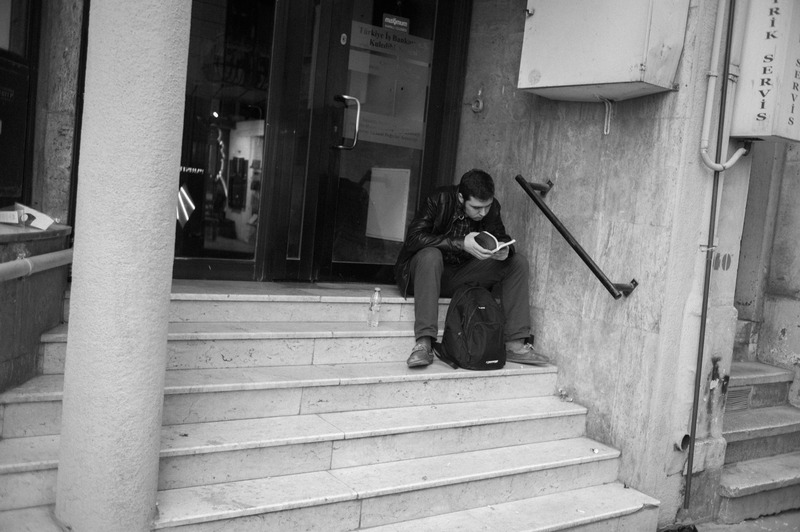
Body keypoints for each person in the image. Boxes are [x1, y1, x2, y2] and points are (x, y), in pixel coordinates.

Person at [394, 168, 550, 368]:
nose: (483, 212)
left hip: (461, 276)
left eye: (487, 206)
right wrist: (460, 243)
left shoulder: (491, 208)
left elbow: (501, 237)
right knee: (431, 255)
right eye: (476, 207)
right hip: (426, 274)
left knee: (517, 262)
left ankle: (514, 344)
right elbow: (414, 239)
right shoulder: (439, 199)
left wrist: (505, 250)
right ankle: (424, 343)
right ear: (461, 197)